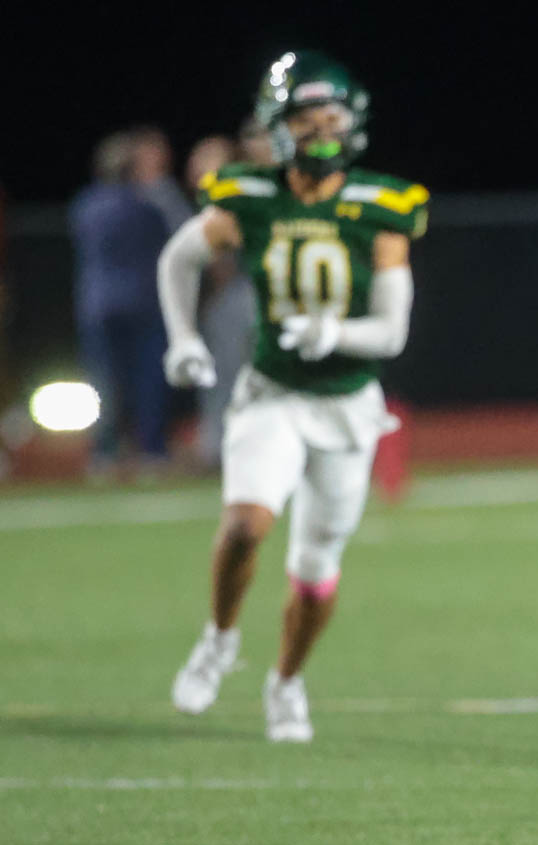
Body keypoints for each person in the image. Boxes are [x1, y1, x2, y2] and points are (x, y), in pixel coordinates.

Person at [158, 51, 427, 742]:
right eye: (306, 119)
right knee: (245, 526)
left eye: (331, 117)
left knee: (315, 569)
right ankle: (220, 639)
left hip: (347, 405)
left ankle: (285, 682)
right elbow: (179, 258)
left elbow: (393, 331)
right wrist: (182, 337)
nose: (321, 131)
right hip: (272, 394)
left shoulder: (380, 206)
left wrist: (336, 332)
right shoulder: (250, 196)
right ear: (278, 127)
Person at [70, 130, 173, 475]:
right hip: (143, 303)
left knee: (104, 380)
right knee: (147, 380)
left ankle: (105, 451)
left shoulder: (85, 205)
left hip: (98, 304)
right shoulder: (147, 206)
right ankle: (151, 450)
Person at [182, 134, 256, 466]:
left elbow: (221, 263)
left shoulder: (229, 197)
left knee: (228, 374)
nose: (197, 167)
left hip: (239, 296)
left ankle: (222, 447)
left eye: (206, 160)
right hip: (236, 297)